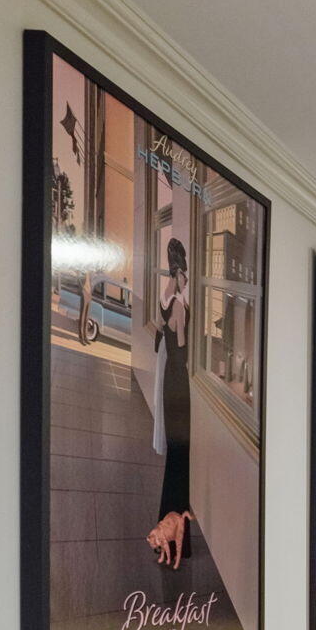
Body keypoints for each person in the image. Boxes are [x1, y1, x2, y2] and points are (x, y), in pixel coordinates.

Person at [146, 237, 194, 568]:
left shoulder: (164, 297)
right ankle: (177, 539)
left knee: (174, 463)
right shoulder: (178, 303)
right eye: (186, 274)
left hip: (169, 386)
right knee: (180, 461)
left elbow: (162, 333)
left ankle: (164, 531)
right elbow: (183, 346)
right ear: (179, 272)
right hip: (179, 384)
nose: (187, 279)